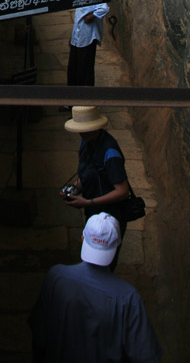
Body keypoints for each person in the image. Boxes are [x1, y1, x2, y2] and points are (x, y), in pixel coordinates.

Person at [28, 213, 162, 362]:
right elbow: (145, 356)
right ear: (117, 246)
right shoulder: (127, 298)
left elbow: (39, 335)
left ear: (83, 238)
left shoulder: (56, 278)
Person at [61, 105, 131, 264]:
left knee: (105, 259)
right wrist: (76, 188)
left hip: (111, 214)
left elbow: (122, 191)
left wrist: (88, 202)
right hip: (94, 209)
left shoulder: (110, 152)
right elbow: (89, 174)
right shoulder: (86, 143)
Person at [67, 0, 110, 88]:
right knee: (73, 69)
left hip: (88, 37)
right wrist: (73, 36)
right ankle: (72, 100)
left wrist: (92, 16)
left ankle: (85, 101)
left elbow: (104, 7)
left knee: (84, 71)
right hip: (78, 37)